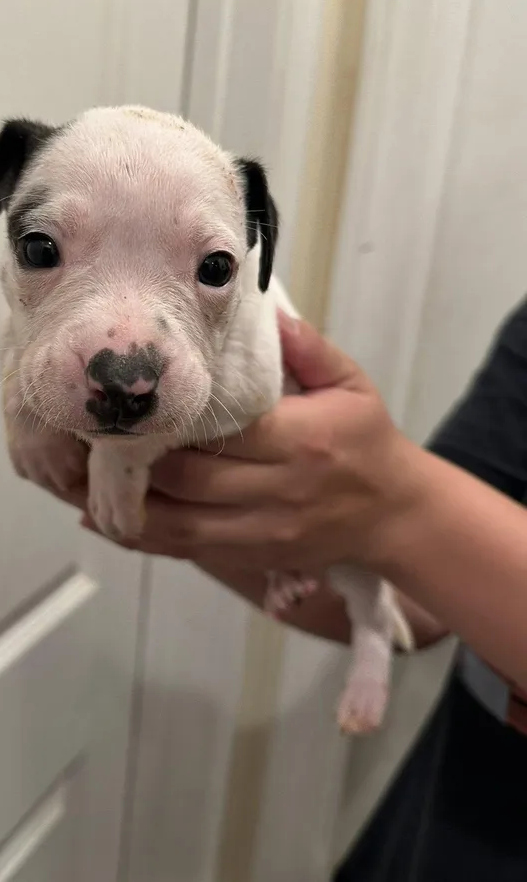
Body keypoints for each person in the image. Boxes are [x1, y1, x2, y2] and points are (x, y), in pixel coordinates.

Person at [44, 294, 527, 881]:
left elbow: (396, 523)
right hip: (450, 810)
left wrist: (394, 505)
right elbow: (426, 591)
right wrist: (222, 530)